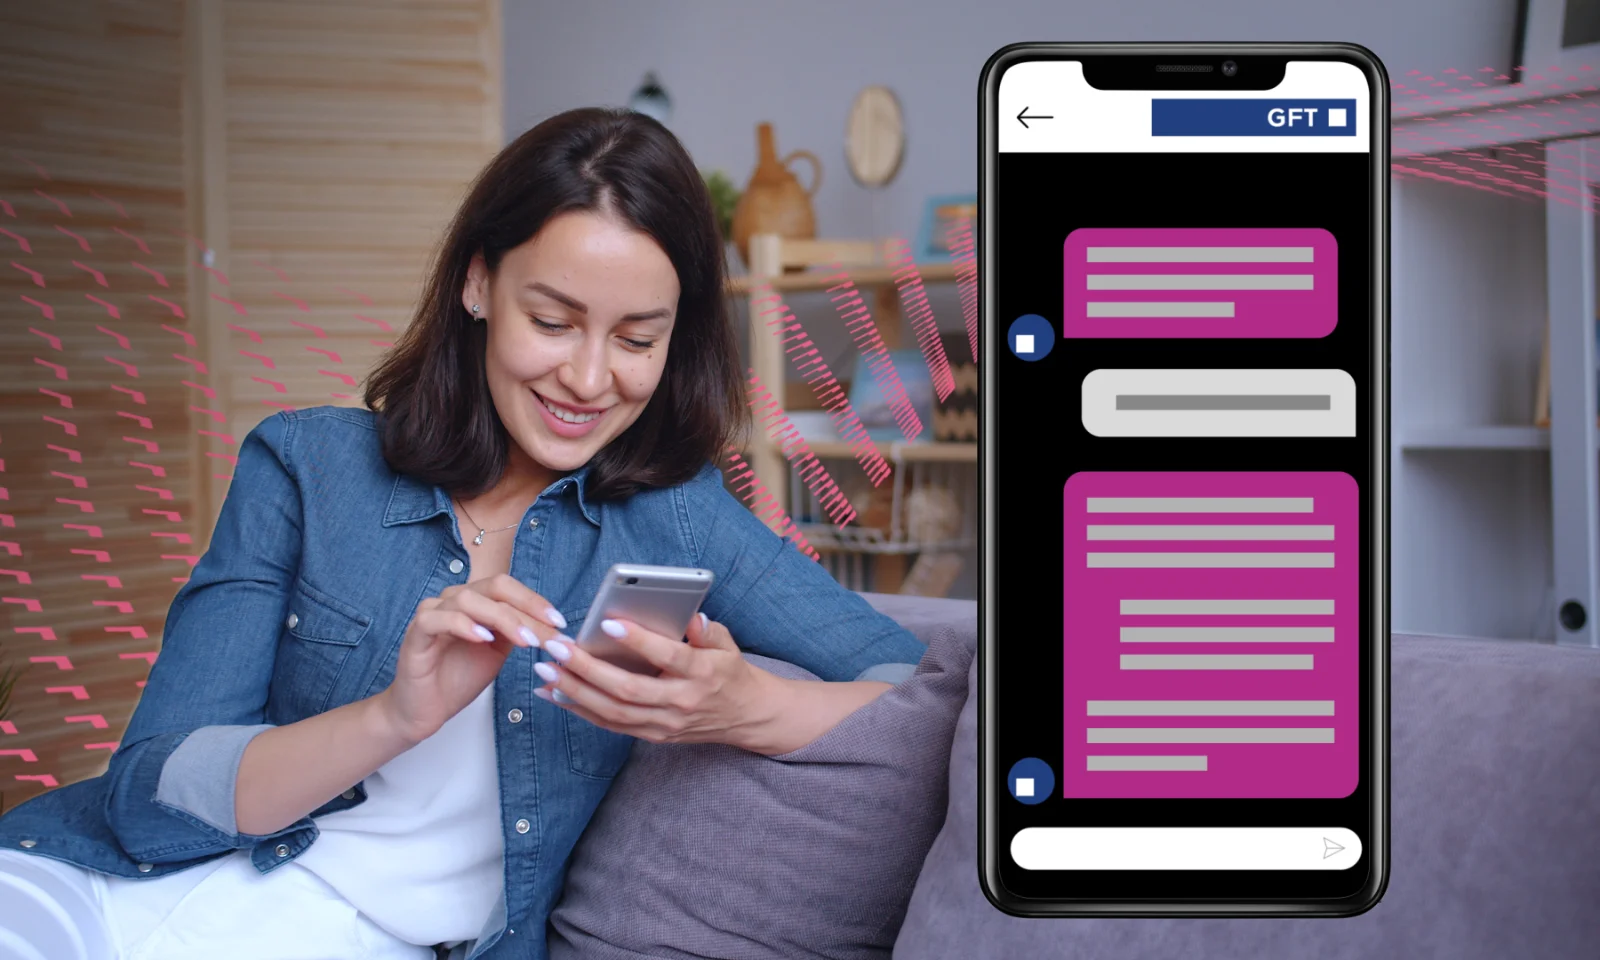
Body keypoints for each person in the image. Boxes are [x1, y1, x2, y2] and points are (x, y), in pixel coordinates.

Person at [0, 107, 926, 960]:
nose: (590, 378)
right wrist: (391, 719)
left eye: (637, 340)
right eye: (552, 321)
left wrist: (746, 708)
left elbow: (919, 684)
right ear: (479, 284)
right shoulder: (307, 468)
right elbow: (149, 791)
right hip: (98, 897)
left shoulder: (679, 513)